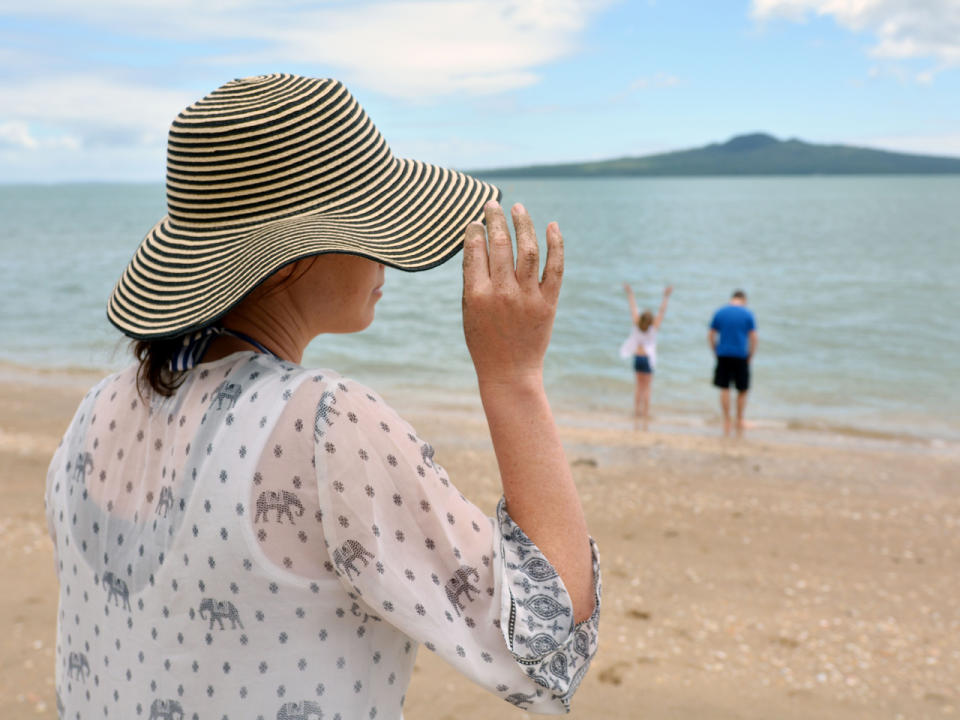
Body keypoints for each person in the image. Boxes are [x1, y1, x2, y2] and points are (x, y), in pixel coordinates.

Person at [44, 74, 600, 720]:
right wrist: (514, 378)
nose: (385, 252)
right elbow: (549, 653)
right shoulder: (323, 428)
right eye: (370, 222)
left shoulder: (91, 417)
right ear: (284, 262)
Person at [620, 284, 672, 427]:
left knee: (638, 387)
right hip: (648, 359)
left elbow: (633, 308)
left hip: (638, 357)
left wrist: (630, 293)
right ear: (651, 321)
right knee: (647, 388)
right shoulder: (653, 328)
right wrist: (666, 296)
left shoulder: (637, 325)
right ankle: (646, 413)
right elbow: (662, 311)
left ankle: (636, 411)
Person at [709, 289, 758, 436]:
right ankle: (739, 419)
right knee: (742, 389)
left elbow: (711, 334)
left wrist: (715, 351)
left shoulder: (720, 312)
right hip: (740, 355)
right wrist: (751, 355)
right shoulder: (747, 314)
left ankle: (726, 420)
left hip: (723, 354)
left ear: (732, 299)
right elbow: (754, 337)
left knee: (724, 388)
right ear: (743, 300)